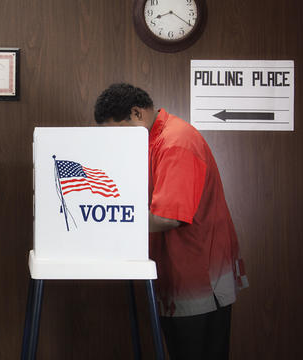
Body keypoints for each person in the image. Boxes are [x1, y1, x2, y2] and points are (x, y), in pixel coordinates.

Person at [94, 83, 248, 360]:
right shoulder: (155, 140)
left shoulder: (176, 142)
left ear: (136, 113)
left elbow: (168, 217)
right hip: (179, 269)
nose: (116, 143)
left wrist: (110, 222)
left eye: (117, 133)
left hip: (197, 271)